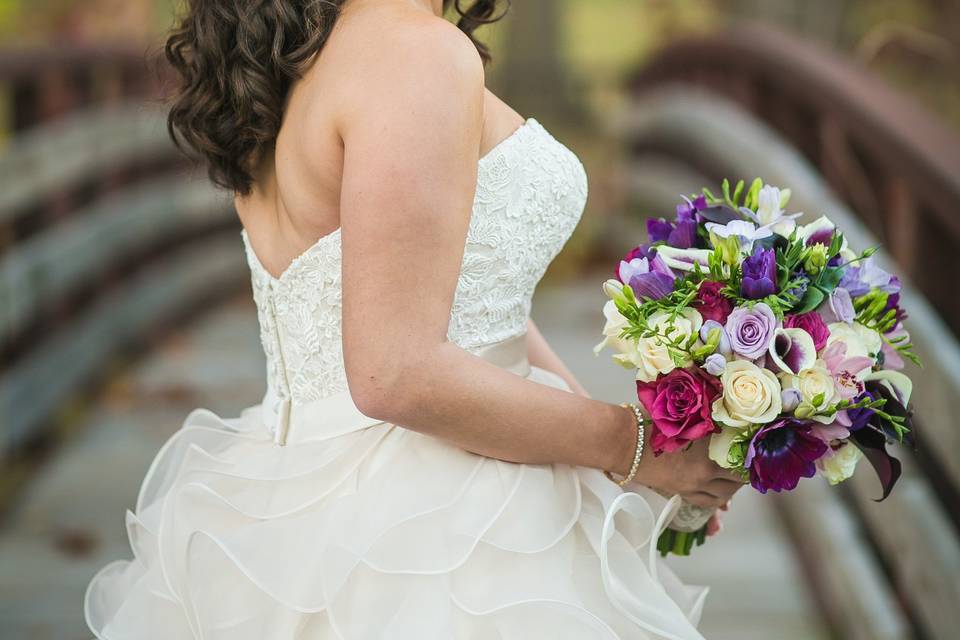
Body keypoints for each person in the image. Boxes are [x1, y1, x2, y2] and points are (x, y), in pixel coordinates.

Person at [84, 1, 743, 637]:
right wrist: (627, 443)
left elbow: (480, 309)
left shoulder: (295, 56)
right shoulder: (412, 52)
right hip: (431, 532)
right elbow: (396, 372)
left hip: (300, 503)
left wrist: (637, 463)